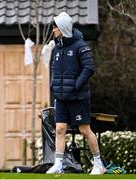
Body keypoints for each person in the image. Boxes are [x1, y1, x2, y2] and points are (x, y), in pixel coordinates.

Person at [46, 12, 106, 174]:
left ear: (63, 28)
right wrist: (53, 86)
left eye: (55, 27)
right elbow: (54, 71)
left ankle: (99, 164)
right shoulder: (57, 48)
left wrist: (76, 86)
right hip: (61, 98)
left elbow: (89, 68)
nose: (53, 30)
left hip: (78, 97)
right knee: (59, 129)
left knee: (84, 130)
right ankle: (58, 165)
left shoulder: (81, 46)